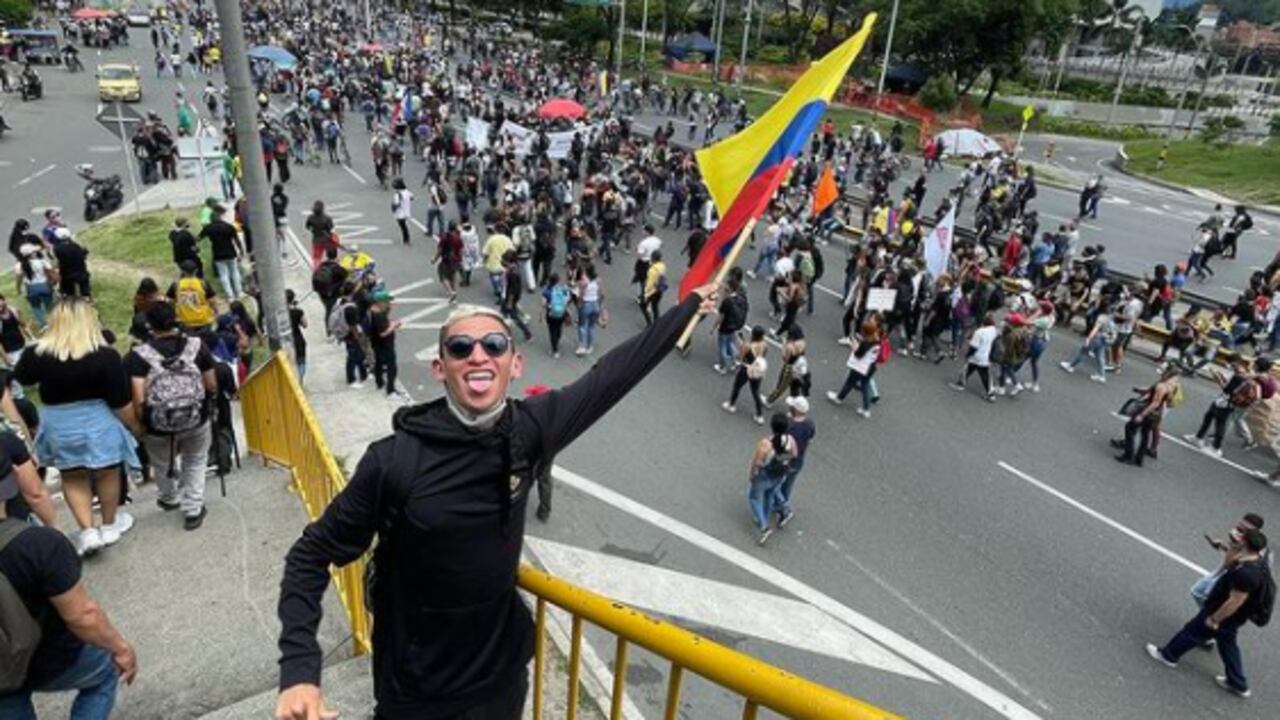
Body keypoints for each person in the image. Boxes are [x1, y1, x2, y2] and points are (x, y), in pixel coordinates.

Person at [274, 286, 718, 720]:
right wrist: (299, 672)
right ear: (439, 367)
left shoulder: (529, 430)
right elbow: (309, 556)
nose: (478, 355)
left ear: (515, 363)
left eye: (494, 344)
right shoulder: (392, 461)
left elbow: (613, 376)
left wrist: (690, 306)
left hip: (502, 682)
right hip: (415, 694)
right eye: (461, 347)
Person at [0, 467, 138, 718]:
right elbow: (83, 616)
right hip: (53, 657)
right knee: (106, 673)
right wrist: (121, 648)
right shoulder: (39, 544)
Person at [13, 299, 141, 557]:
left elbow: (22, 376)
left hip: (59, 424)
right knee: (108, 473)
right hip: (98, 420)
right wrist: (136, 427)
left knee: (72, 477)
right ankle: (108, 525)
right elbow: (120, 400)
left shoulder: (38, 353)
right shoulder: (105, 355)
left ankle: (87, 531)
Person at [1147, 528, 1272, 699]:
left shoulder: (1247, 574)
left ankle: (1168, 655)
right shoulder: (1257, 561)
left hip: (1223, 613)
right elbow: (1229, 565)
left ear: (1246, 543)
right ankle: (1238, 683)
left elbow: (1235, 601)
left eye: (1242, 538)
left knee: (1192, 631)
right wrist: (1232, 550)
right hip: (1234, 618)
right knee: (1228, 644)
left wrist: (1215, 618)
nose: (1238, 538)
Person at [124, 303, 217, 530]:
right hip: (196, 417)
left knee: (162, 461)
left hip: (157, 424)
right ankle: (193, 508)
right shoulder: (196, 346)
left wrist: (141, 424)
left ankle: (170, 497)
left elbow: (138, 399)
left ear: (149, 326)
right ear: (175, 319)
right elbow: (211, 383)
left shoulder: (137, 356)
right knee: (195, 459)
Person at [1112, 366, 1180, 466]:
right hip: (1158, 413)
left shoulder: (1161, 386)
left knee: (1129, 427)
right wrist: (1140, 390)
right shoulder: (1172, 386)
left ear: (1167, 372)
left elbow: (1155, 402)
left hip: (1150, 411)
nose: (1160, 372)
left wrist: (1142, 415)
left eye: (1163, 371)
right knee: (1145, 434)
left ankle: (1128, 455)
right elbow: (1166, 399)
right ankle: (1139, 459)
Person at [748, 412, 797, 546]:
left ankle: (764, 526)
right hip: (780, 474)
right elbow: (794, 454)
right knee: (770, 495)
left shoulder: (765, 444)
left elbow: (757, 462)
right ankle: (767, 515)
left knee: (754, 498)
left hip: (765, 475)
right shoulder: (790, 440)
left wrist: (752, 474)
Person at [772, 396, 815, 528]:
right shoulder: (810, 423)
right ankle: (780, 505)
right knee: (788, 484)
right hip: (799, 460)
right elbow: (811, 439)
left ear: (795, 410)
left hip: (786, 460)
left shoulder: (789, 426)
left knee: (773, 485)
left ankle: (784, 509)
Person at [828, 320, 880, 418]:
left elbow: (858, 354)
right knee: (865, 387)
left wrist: (853, 346)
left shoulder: (866, 343)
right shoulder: (876, 340)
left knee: (850, 382)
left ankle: (839, 398)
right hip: (871, 367)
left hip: (860, 367)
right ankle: (866, 409)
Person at [723, 326, 768, 425]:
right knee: (755, 392)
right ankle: (759, 415)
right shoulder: (764, 345)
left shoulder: (747, 346)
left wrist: (741, 344)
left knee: (737, 386)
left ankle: (731, 404)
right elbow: (762, 356)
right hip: (758, 369)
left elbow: (740, 358)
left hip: (746, 369)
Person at [366, 290, 406, 401]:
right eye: (387, 301)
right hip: (385, 345)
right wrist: (394, 325)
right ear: (380, 302)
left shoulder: (372, 311)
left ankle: (379, 383)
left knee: (378, 363)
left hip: (376, 343)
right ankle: (390, 390)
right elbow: (383, 333)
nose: (389, 303)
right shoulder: (379, 316)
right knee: (392, 367)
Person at [199, 204, 244, 298]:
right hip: (231, 252)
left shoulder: (208, 228)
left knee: (223, 275)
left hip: (218, 254)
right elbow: (237, 241)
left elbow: (198, 238)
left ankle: (230, 295)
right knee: (234, 272)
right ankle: (239, 292)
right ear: (220, 217)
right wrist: (241, 251)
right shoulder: (228, 227)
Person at [951, 314, 999, 401]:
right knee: (984, 374)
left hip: (976, 356)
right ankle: (991, 394)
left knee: (966, 369)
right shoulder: (993, 330)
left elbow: (974, 347)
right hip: (985, 356)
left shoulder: (979, 332)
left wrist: (967, 355)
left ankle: (960, 384)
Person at [711, 269, 748, 374]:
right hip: (735, 325)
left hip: (726, 326)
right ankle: (735, 361)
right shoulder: (740, 297)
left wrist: (713, 328)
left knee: (722, 345)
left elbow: (720, 317)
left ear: (730, 288)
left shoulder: (727, 301)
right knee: (731, 342)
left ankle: (722, 367)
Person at [167, 260, 217, 333]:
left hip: (184, 321)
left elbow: (171, 302)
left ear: (182, 271)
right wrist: (215, 312)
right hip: (203, 320)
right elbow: (212, 301)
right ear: (196, 270)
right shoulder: (203, 283)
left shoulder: (176, 285)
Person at [541, 273, 572, 359]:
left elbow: (543, 304)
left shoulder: (546, 291)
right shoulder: (562, 290)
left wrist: (542, 314)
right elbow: (568, 299)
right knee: (559, 327)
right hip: (561, 313)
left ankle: (555, 350)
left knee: (552, 331)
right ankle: (558, 338)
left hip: (551, 314)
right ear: (558, 280)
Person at [305, 201, 337, 269]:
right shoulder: (328, 218)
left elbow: (307, 227)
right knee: (331, 257)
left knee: (317, 258)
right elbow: (332, 229)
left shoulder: (310, 218)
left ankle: (316, 272)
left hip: (316, 241)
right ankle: (330, 271)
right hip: (327, 240)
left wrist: (313, 230)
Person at [641, 250, 667, 326]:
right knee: (655, 306)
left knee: (643, 305)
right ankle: (657, 323)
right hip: (659, 290)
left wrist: (645, 294)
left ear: (653, 258)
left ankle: (649, 324)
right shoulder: (662, 266)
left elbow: (649, 284)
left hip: (652, 292)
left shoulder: (652, 270)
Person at [286, 289, 307, 380]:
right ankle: (300, 379)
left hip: (286, 340)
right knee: (301, 360)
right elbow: (305, 325)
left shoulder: (280, 313)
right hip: (297, 338)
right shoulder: (298, 312)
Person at [390, 178, 413, 246]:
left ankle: (406, 240)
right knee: (404, 226)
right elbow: (412, 198)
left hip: (400, 213)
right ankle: (406, 240)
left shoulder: (398, 194)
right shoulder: (407, 192)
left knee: (403, 227)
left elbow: (396, 204)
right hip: (407, 212)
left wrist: (393, 208)